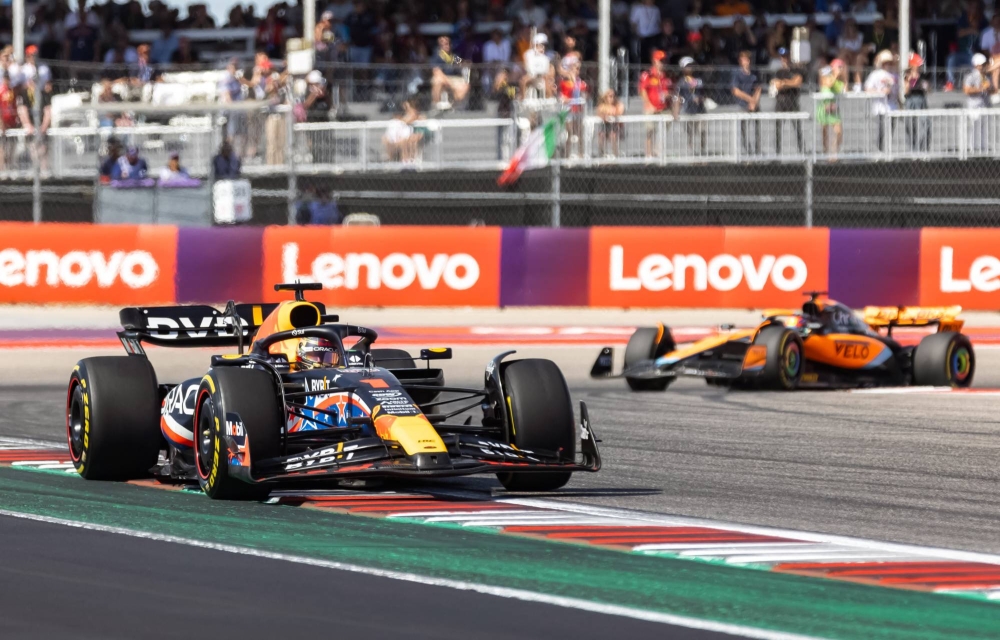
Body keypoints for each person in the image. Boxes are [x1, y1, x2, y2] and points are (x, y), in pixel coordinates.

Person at [15, 66, 53, 174]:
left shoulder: (43, 94)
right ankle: (36, 172)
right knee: (33, 149)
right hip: (31, 128)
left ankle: (44, 172)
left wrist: (43, 127)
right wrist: (28, 125)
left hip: (41, 127)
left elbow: (47, 111)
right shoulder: (25, 94)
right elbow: (22, 110)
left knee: (43, 149)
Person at [638, 49, 673, 158]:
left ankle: (659, 152)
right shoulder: (648, 74)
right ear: (654, 61)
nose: (662, 63)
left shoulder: (667, 75)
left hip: (664, 107)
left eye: (664, 60)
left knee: (663, 131)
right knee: (650, 131)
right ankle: (648, 154)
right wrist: (649, 104)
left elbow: (671, 90)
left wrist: (669, 95)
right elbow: (642, 90)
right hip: (651, 107)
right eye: (660, 61)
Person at [946, 1, 985, 91]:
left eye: (975, 8)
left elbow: (984, 35)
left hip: (976, 53)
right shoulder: (963, 18)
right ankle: (950, 82)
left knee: (977, 61)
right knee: (951, 59)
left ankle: (976, 83)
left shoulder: (982, 20)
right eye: (971, 7)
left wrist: (977, 31)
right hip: (963, 52)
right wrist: (971, 30)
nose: (973, 9)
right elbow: (959, 33)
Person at [864, 50, 897, 152]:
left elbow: (898, 90)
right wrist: (880, 91)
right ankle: (880, 149)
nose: (888, 65)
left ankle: (888, 150)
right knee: (881, 130)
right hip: (880, 107)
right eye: (886, 62)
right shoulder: (875, 74)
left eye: (890, 62)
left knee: (890, 130)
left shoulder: (895, 75)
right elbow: (867, 88)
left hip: (892, 107)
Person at [772, 48, 803, 155]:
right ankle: (777, 152)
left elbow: (798, 82)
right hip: (781, 101)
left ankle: (801, 150)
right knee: (778, 129)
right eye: (782, 57)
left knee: (797, 128)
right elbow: (776, 85)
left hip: (793, 101)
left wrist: (784, 83)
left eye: (786, 56)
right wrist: (789, 82)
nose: (784, 59)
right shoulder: (778, 72)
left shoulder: (796, 70)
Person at [731, 50, 761, 156]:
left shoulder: (755, 73)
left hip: (754, 104)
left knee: (756, 129)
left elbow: (758, 88)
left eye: (748, 59)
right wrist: (750, 100)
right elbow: (735, 91)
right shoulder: (737, 74)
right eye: (744, 59)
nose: (746, 61)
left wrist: (755, 101)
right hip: (742, 104)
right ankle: (746, 150)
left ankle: (757, 151)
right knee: (743, 130)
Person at [558, 58, 587, 158]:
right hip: (568, 111)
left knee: (580, 133)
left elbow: (583, 95)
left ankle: (581, 154)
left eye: (578, 69)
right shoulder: (564, 83)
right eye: (575, 68)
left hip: (578, 110)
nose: (577, 71)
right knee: (569, 133)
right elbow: (563, 98)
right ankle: (566, 154)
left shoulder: (581, 83)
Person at [817, 60, 846, 159]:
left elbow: (843, 89)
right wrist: (835, 75)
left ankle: (834, 153)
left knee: (838, 132)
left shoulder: (839, 80)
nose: (840, 69)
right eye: (838, 67)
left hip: (834, 109)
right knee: (824, 132)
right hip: (824, 107)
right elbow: (827, 84)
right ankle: (825, 152)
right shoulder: (826, 75)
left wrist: (842, 77)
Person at [677, 57, 706, 154]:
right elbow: (679, 96)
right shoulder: (681, 82)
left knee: (702, 131)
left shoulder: (699, 80)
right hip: (687, 110)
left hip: (700, 110)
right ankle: (691, 151)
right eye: (687, 66)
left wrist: (700, 98)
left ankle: (702, 151)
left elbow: (704, 93)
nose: (690, 68)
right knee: (690, 133)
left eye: (691, 65)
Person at [430, 36, 469, 109]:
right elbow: (436, 71)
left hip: (453, 78)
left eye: (447, 44)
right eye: (443, 44)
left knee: (465, 85)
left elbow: (462, 63)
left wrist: (467, 63)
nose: (446, 46)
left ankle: (454, 106)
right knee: (437, 81)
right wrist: (448, 82)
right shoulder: (437, 56)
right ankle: (436, 105)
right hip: (442, 78)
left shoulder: (454, 56)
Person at [904, 53, 931, 152]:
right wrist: (910, 80)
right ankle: (912, 149)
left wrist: (926, 86)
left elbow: (929, 90)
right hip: (911, 100)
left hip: (921, 99)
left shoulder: (923, 76)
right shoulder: (906, 75)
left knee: (926, 125)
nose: (919, 67)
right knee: (911, 126)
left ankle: (923, 148)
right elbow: (905, 91)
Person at [964, 52, 991, 152]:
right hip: (974, 106)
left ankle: (983, 148)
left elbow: (988, 90)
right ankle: (973, 149)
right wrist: (981, 89)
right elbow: (966, 90)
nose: (984, 66)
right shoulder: (970, 76)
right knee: (974, 128)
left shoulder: (985, 77)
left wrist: (989, 88)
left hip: (984, 105)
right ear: (977, 65)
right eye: (982, 64)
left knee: (984, 128)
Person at [492, 67, 517, 160]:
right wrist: (499, 82)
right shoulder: (500, 85)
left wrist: (506, 84)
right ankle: (500, 158)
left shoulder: (512, 85)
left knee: (510, 139)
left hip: (510, 113)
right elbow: (495, 91)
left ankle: (512, 158)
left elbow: (512, 95)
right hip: (501, 112)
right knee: (500, 140)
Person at [521, 33, 554, 99]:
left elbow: (549, 69)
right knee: (523, 81)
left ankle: (550, 100)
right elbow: (526, 66)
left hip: (543, 76)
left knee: (547, 81)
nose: (543, 47)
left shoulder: (549, 55)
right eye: (541, 44)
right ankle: (524, 100)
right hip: (532, 75)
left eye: (545, 45)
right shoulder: (528, 54)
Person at [630, 0, 661, 65]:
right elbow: (633, 23)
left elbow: (658, 23)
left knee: (653, 55)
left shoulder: (656, 9)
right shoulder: (638, 8)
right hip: (641, 37)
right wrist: (637, 34)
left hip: (654, 36)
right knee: (642, 56)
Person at [596, 88, 624, 158]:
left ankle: (615, 155)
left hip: (615, 125)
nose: (612, 98)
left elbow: (619, 113)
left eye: (613, 96)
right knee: (601, 135)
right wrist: (605, 116)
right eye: (610, 96)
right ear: (606, 98)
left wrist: (610, 114)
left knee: (613, 135)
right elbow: (600, 113)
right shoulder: (602, 106)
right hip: (604, 125)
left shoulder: (619, 105)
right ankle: (601, 154)